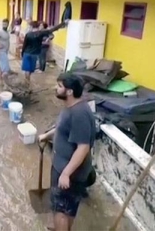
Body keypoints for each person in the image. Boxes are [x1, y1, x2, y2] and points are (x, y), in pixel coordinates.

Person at [38, 74, 95, 231]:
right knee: (66, 207)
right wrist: (47, 135)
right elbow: (63, 129)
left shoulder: (79, 114)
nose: (56, 88)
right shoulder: (72, 108)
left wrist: (65, 174)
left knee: (61, 209)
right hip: (65, 168)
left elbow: (83, 147)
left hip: (69, 172)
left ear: (69, 91)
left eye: (60, 86)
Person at [21, 20, 65, 85]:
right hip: (34, 55)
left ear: (31, 27)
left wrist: (22, 53)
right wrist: (63, 23)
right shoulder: (41, 33)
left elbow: (24, 45)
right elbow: (53, 29)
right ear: (38, 26)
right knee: (30, 70)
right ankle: (27, 82)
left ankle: (27, 82)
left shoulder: (28, 34)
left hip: (26, 53)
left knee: (27, 70)